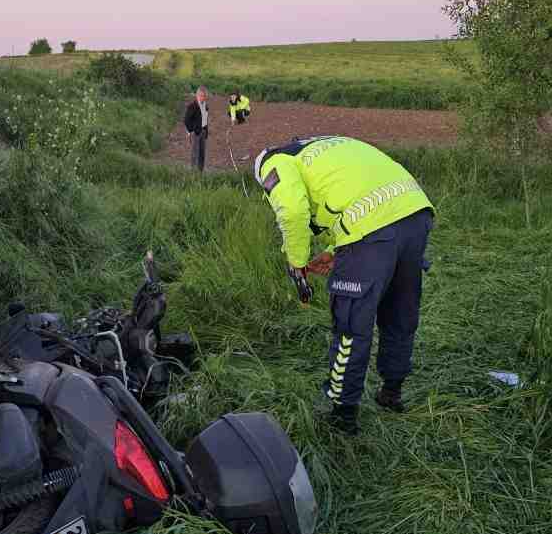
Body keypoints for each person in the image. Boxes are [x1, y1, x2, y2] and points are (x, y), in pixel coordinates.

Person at [253, 136, 435, 435]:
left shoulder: (274, 162)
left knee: (351, 324)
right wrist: (337, 250)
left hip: (374, 228)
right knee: (400, 311)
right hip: (415, 212)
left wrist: (296, 262)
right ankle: (392, 392)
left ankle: (343, 415)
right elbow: (353, 192)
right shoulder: (324, 147)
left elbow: (294, 212)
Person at [182, 85, 210, 172]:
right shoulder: (192, 106)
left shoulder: (205, 106)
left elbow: (205, 119)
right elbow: (186, 120)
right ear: (197, 95)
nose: (203, 98)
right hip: (196, 133)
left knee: (202, 154)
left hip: (203, 132)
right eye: (201, 96)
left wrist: (206, 131)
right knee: (195, 154)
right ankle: (193, 173)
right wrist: (191, 131)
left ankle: (200, 172)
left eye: (204, 96)